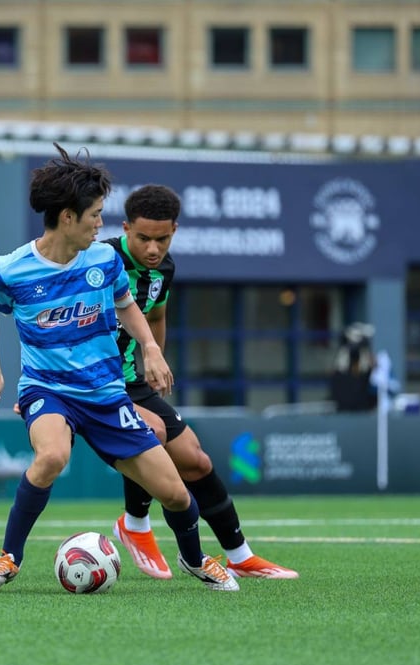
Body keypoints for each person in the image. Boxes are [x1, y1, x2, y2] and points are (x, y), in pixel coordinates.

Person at [0, 143, 237, 592]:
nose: (101, 223)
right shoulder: (10, 269)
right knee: (52, 456)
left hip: (106, 394)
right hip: (48, 390)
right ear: (67, 216)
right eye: (94, 214)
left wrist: (151, 347)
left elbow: (127, 305)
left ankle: (194, 559)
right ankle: (8, 558)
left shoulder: (104, 259)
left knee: (175, 493)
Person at [104, 184, 299, 581]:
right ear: (125, 228)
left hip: (130, 379)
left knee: (196, 460)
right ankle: (134, 523)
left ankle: (240, 555)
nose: (154, 248)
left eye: (163, 238)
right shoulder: (103, 260)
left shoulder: (165, 268)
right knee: (151, 432)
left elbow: (155, 314)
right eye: (143, 238)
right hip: (95, 382)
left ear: (174, 230)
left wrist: (153, 359)